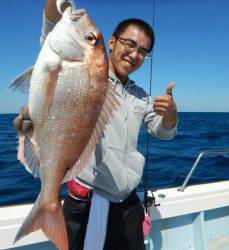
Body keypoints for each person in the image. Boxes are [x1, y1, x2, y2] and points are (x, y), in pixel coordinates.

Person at [14, 0, 178, 249]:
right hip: (85, 205)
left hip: (128, 206)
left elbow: (164, 132)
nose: (134, 54)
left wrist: (171, 114)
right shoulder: (77, 67)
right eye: (129, 44)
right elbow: (52, 21)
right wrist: (59, 4)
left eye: (143, 51)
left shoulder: (141, 96)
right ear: (111, 42)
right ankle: (48, 204)